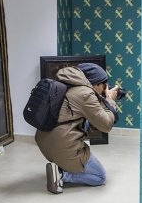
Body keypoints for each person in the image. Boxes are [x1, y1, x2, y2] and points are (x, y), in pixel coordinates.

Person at [35, 62, 119, 194]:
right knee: (99, 177)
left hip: (45, 143)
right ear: (95, 84)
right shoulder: (85, 94)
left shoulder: (66, 84)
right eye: (103, 86)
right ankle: (61, 175)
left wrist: (101, 100)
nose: (104, 90)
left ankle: (64, 165)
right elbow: (106, 125)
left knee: (85, 121)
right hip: (61, 147)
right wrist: (110, 101)